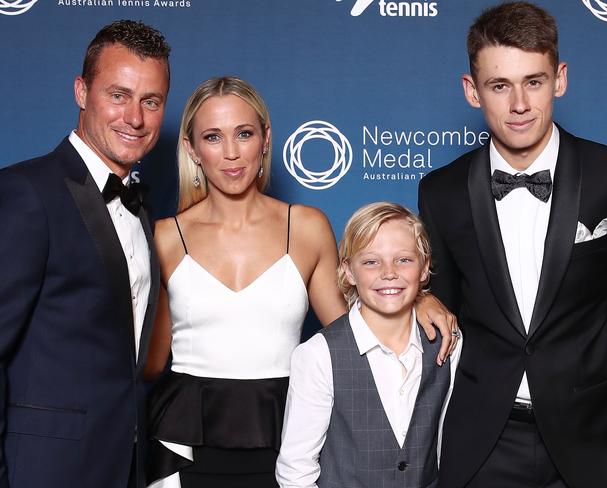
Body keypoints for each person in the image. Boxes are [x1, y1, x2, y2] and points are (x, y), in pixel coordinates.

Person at [144, 77, 458, 488]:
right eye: (213, 137)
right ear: (192, 149)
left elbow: (351, 335)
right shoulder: (165, 236)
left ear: (265, 139)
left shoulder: (306, 227)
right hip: (183, 444)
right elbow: (149, 363)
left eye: (244, 133)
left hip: (285, 432)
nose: (232, 152)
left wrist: (417, 299)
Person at [418, 2, 607, 488]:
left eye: (534, 81)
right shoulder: (440, 191)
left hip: (597, 435)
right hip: (486, 440)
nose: (519, 103)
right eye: (499, 85)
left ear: (559, 79)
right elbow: (445, 309)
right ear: (472, 91)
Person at [0, 20, 170, 488]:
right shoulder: (24, 193)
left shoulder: (140, 207)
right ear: (81, 91)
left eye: (151, 101)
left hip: (126, 468)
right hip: (41, 469)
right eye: (118, 95)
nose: (134, 118)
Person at [276, 202, 461, 488]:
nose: (389, 272)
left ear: (424, 269)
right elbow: (295, 470)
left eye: (404, 260)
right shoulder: (319, 355)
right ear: (349, 271)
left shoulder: (448, 343)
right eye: (371, 261)